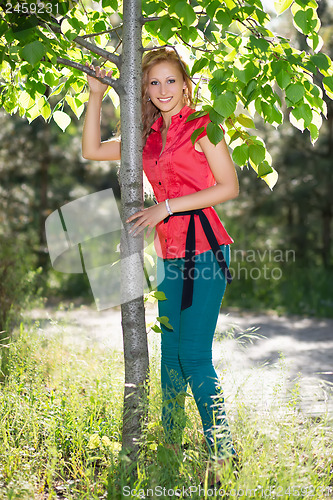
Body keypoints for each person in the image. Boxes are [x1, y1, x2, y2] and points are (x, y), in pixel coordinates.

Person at [82, 47, 239, 482]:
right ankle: (171, 447)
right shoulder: (148, 136)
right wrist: (96, 95)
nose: (163, 89)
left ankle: (222, 455)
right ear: (146, 91)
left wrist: (165, 207)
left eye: (171, 80)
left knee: (192, 355)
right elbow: (92, 150)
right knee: (171, 357)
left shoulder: (204, 124)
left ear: (186, 84)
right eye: (154, 83)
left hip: (206, 250)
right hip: (170, 255)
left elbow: (229, 187)